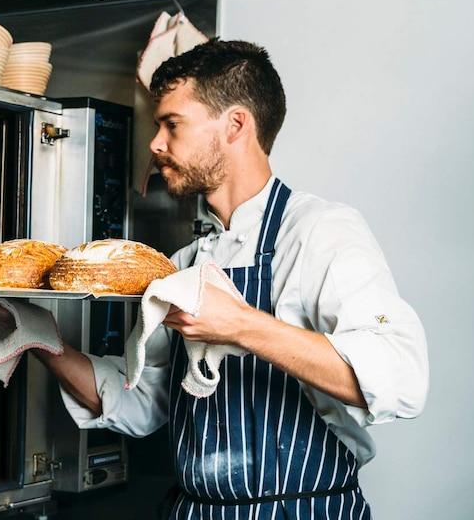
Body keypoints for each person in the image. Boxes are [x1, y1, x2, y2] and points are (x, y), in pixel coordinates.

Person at [32, 38, 429, 519]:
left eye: (171, 124)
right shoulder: (182, 264)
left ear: (236, 124)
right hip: (196, 510)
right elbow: (142, 403)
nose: (156, 144)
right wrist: (37, 339)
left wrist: (240, 325)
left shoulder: (319, 232)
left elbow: (402, 380)